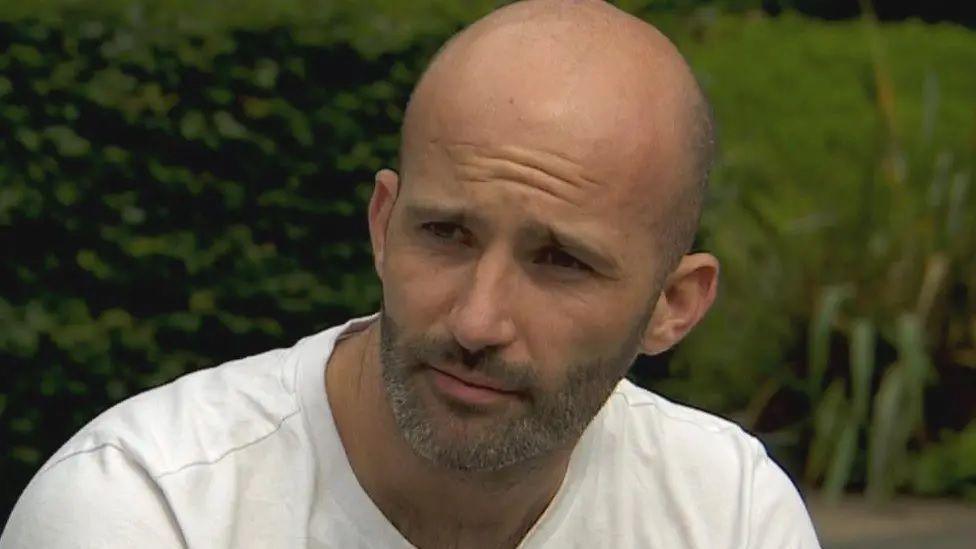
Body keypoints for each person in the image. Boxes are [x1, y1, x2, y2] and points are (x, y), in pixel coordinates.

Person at [1, 0, 821, 547]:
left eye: (560, 261)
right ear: (384, 226)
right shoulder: (146, 512)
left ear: (672, 305)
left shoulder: (729, 513)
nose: (476, 320)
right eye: (446, 233)